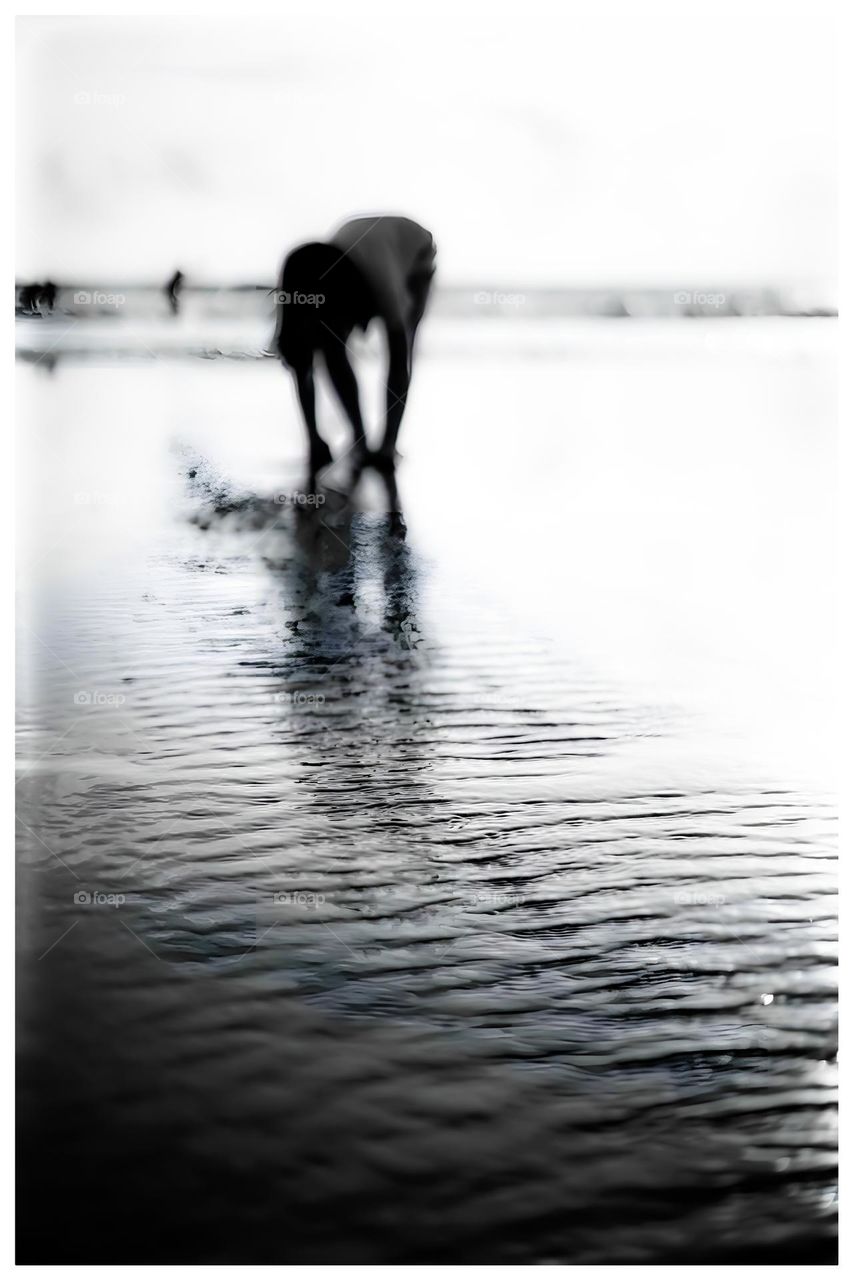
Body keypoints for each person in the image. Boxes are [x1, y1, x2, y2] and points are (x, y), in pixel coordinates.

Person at [274, 215, 436, 472]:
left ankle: (388, 444)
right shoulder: (312, 269)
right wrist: (314, 439)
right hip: (348, 250)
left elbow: (398, 362)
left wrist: (386, 447)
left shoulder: (385, 287)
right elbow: (300, 354)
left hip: (417, 252)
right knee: (330, 343)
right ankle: (359, 438)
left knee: (406, 342)